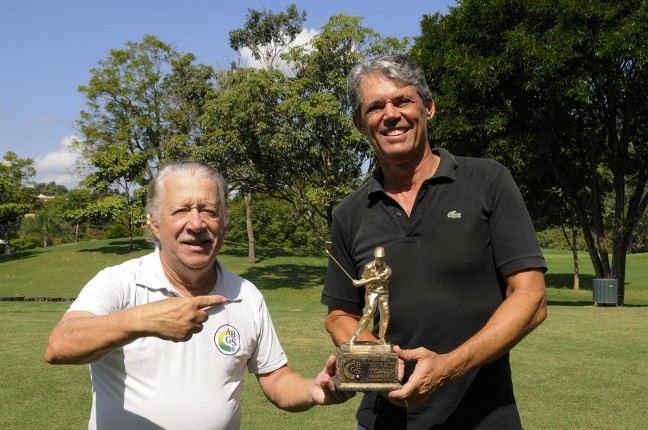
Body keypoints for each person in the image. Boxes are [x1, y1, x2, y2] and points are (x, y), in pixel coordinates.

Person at [321, 54, 547, 429]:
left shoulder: (488, 181)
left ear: (428, 107)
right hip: (382, 420)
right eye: (375, 107)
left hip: (485, 419)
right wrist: (371, 359)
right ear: (360, 124)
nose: (390, 114)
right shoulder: (350, 212)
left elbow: (531, 297)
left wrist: (447, 367)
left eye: (403, 101)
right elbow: (340, 315)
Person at [44, 161, 353, 430]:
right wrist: (142, 320)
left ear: (223, 223)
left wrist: (313, 390)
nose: (196, 224)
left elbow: (276, 379)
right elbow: (59, 345)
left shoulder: (245, 295)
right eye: (181, 210)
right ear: (154, 222)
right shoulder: (120, 282)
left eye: (209, 211)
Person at [349, 246, 392, 345]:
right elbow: (365, 278)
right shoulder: (368, 266)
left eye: (381, 259)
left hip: (383, 294)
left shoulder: (388, 270)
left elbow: (377, 279)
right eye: (377, 258)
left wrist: (359, 283)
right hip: (371, 293)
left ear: (383, 258)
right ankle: (355, 336)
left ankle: (382, 338)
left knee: (386, 316)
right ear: (374, 257)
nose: (379, 261)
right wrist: (359, 281)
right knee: (369, 312)